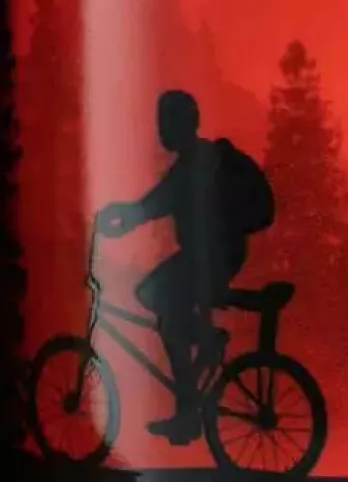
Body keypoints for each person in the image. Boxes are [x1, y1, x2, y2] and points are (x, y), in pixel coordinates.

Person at [97, 90, 273, 445]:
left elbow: (155, 204)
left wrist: (122, 218)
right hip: (217, 254)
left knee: (157, 301)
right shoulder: (199, 159)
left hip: (210, 256)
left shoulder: (194, 164)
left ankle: (189, 402)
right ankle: (195, 370)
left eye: (166, 121)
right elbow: (156, 202)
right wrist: (126, 215)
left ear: (181, 123)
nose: (161, 130)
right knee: (161, 305)